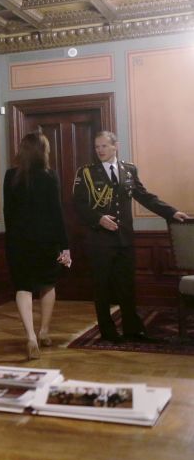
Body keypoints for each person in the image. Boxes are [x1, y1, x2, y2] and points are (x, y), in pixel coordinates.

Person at [72, 130, 189, 343]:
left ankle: (132, 329)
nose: (99, 150)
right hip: (100, 240)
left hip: (124, 239)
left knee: (127, 285)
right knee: (102, 286)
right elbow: (78, 204)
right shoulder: (86, 172)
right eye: (97, 147)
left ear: (115, 146)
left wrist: (171, 212)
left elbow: (144, 196)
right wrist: (98, 218)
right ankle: (107, 331)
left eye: (104, 146)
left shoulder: (129, 170)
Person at [3, 132, 71, 360]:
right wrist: (65, 245)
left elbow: (8, 212)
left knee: (23, 287)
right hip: (46, 240)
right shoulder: (50, 176)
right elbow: (57, 212)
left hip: (18, 241)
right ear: (43, 152)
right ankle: (44, 332)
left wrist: (11, 241)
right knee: (47, 285)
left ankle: (30, 336)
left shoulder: (10, 176)